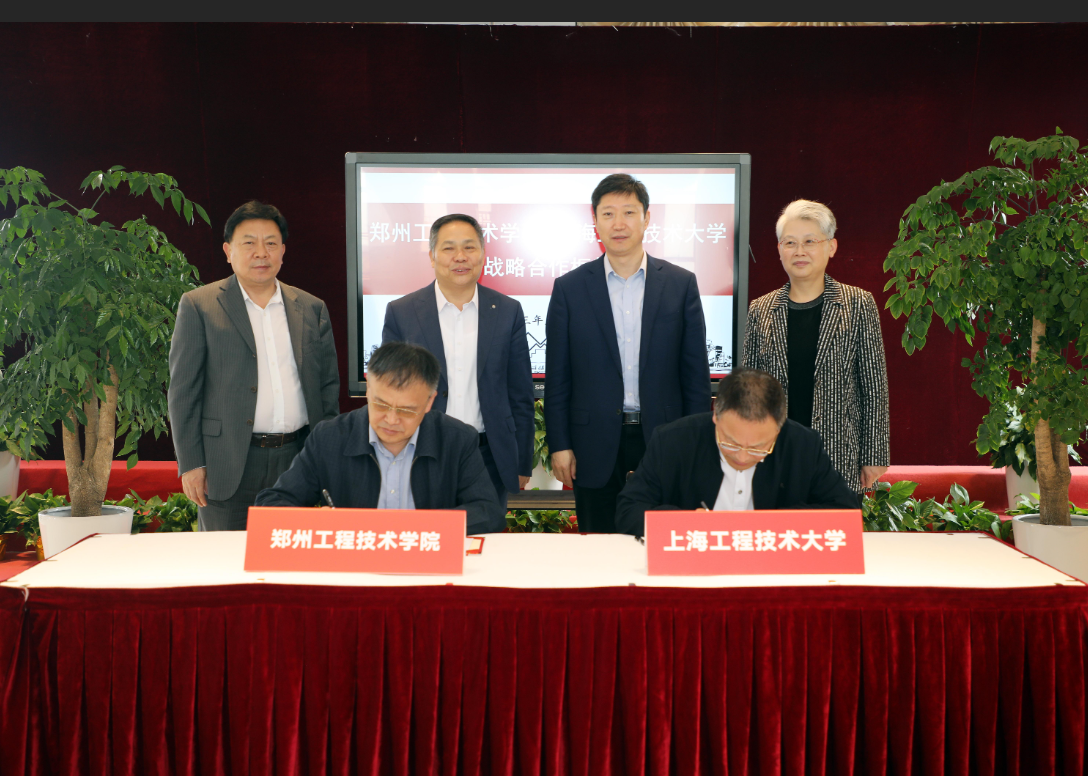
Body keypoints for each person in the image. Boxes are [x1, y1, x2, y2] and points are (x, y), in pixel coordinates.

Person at [545, 173, 711, 533]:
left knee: (662, 542)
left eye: (629, 212)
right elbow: (558, 378)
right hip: (592, 444)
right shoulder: (569, 289)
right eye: (608, 214)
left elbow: (695, 376)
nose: (618, 224)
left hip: (665, 440)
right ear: (595, 221)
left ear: (647, 218)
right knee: (599, 546)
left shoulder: (680, 284)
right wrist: (560, 445)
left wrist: (697, 445)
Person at [168, 201, 340, 531]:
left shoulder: (311, 307)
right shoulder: (200, 305)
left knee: (290, 555)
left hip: (296, 458)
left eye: (271, 243)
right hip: (227, 461)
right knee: (224, 558)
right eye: (249, 242)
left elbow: (327, 389)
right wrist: (191, 463)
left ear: (283, 251)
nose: (261, 252)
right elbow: (183, 393)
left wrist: (325, 455)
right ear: (228, 251)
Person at [255, 342, 505, 534]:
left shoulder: (456, 440)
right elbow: (273, 503)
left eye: (407, 410)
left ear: (430, 401)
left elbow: (487, 511)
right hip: (353, 565)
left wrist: (420, 528)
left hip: (427, 565)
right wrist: (320, 523)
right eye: (381, 405)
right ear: (368, 388)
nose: (392, 419)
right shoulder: (329, 438)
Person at [382, 214, 534, 509]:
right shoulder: (402, 312)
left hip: (488, 455)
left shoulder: (507, 311)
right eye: (449, 248)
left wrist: (521, 460)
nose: (460, 257)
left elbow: (520, 393)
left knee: (485, 532)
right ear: (432, 256)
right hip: (423, 452)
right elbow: (391, 392)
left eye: (469, 247)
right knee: (429, 533)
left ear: (483, 254)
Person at [742, 199, 889, 493]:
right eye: (790, 242)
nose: (800, 251)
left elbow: (874, 387)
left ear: (831, 247)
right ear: (779, 250)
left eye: (810, 241)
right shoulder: (761, 309)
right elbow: (749, 392)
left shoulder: (858, 304)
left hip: (839, 456)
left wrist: (874, 456)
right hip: (774, 457)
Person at [616, 369, 860, 536]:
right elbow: (629, 510)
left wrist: (775, 524)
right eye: (730, 443)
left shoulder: (802, 445)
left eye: (758, 448)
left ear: (779, 428)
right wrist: (685, 523)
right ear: (715, 416)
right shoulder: (673, 441)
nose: (742, 457)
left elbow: (845, 511)